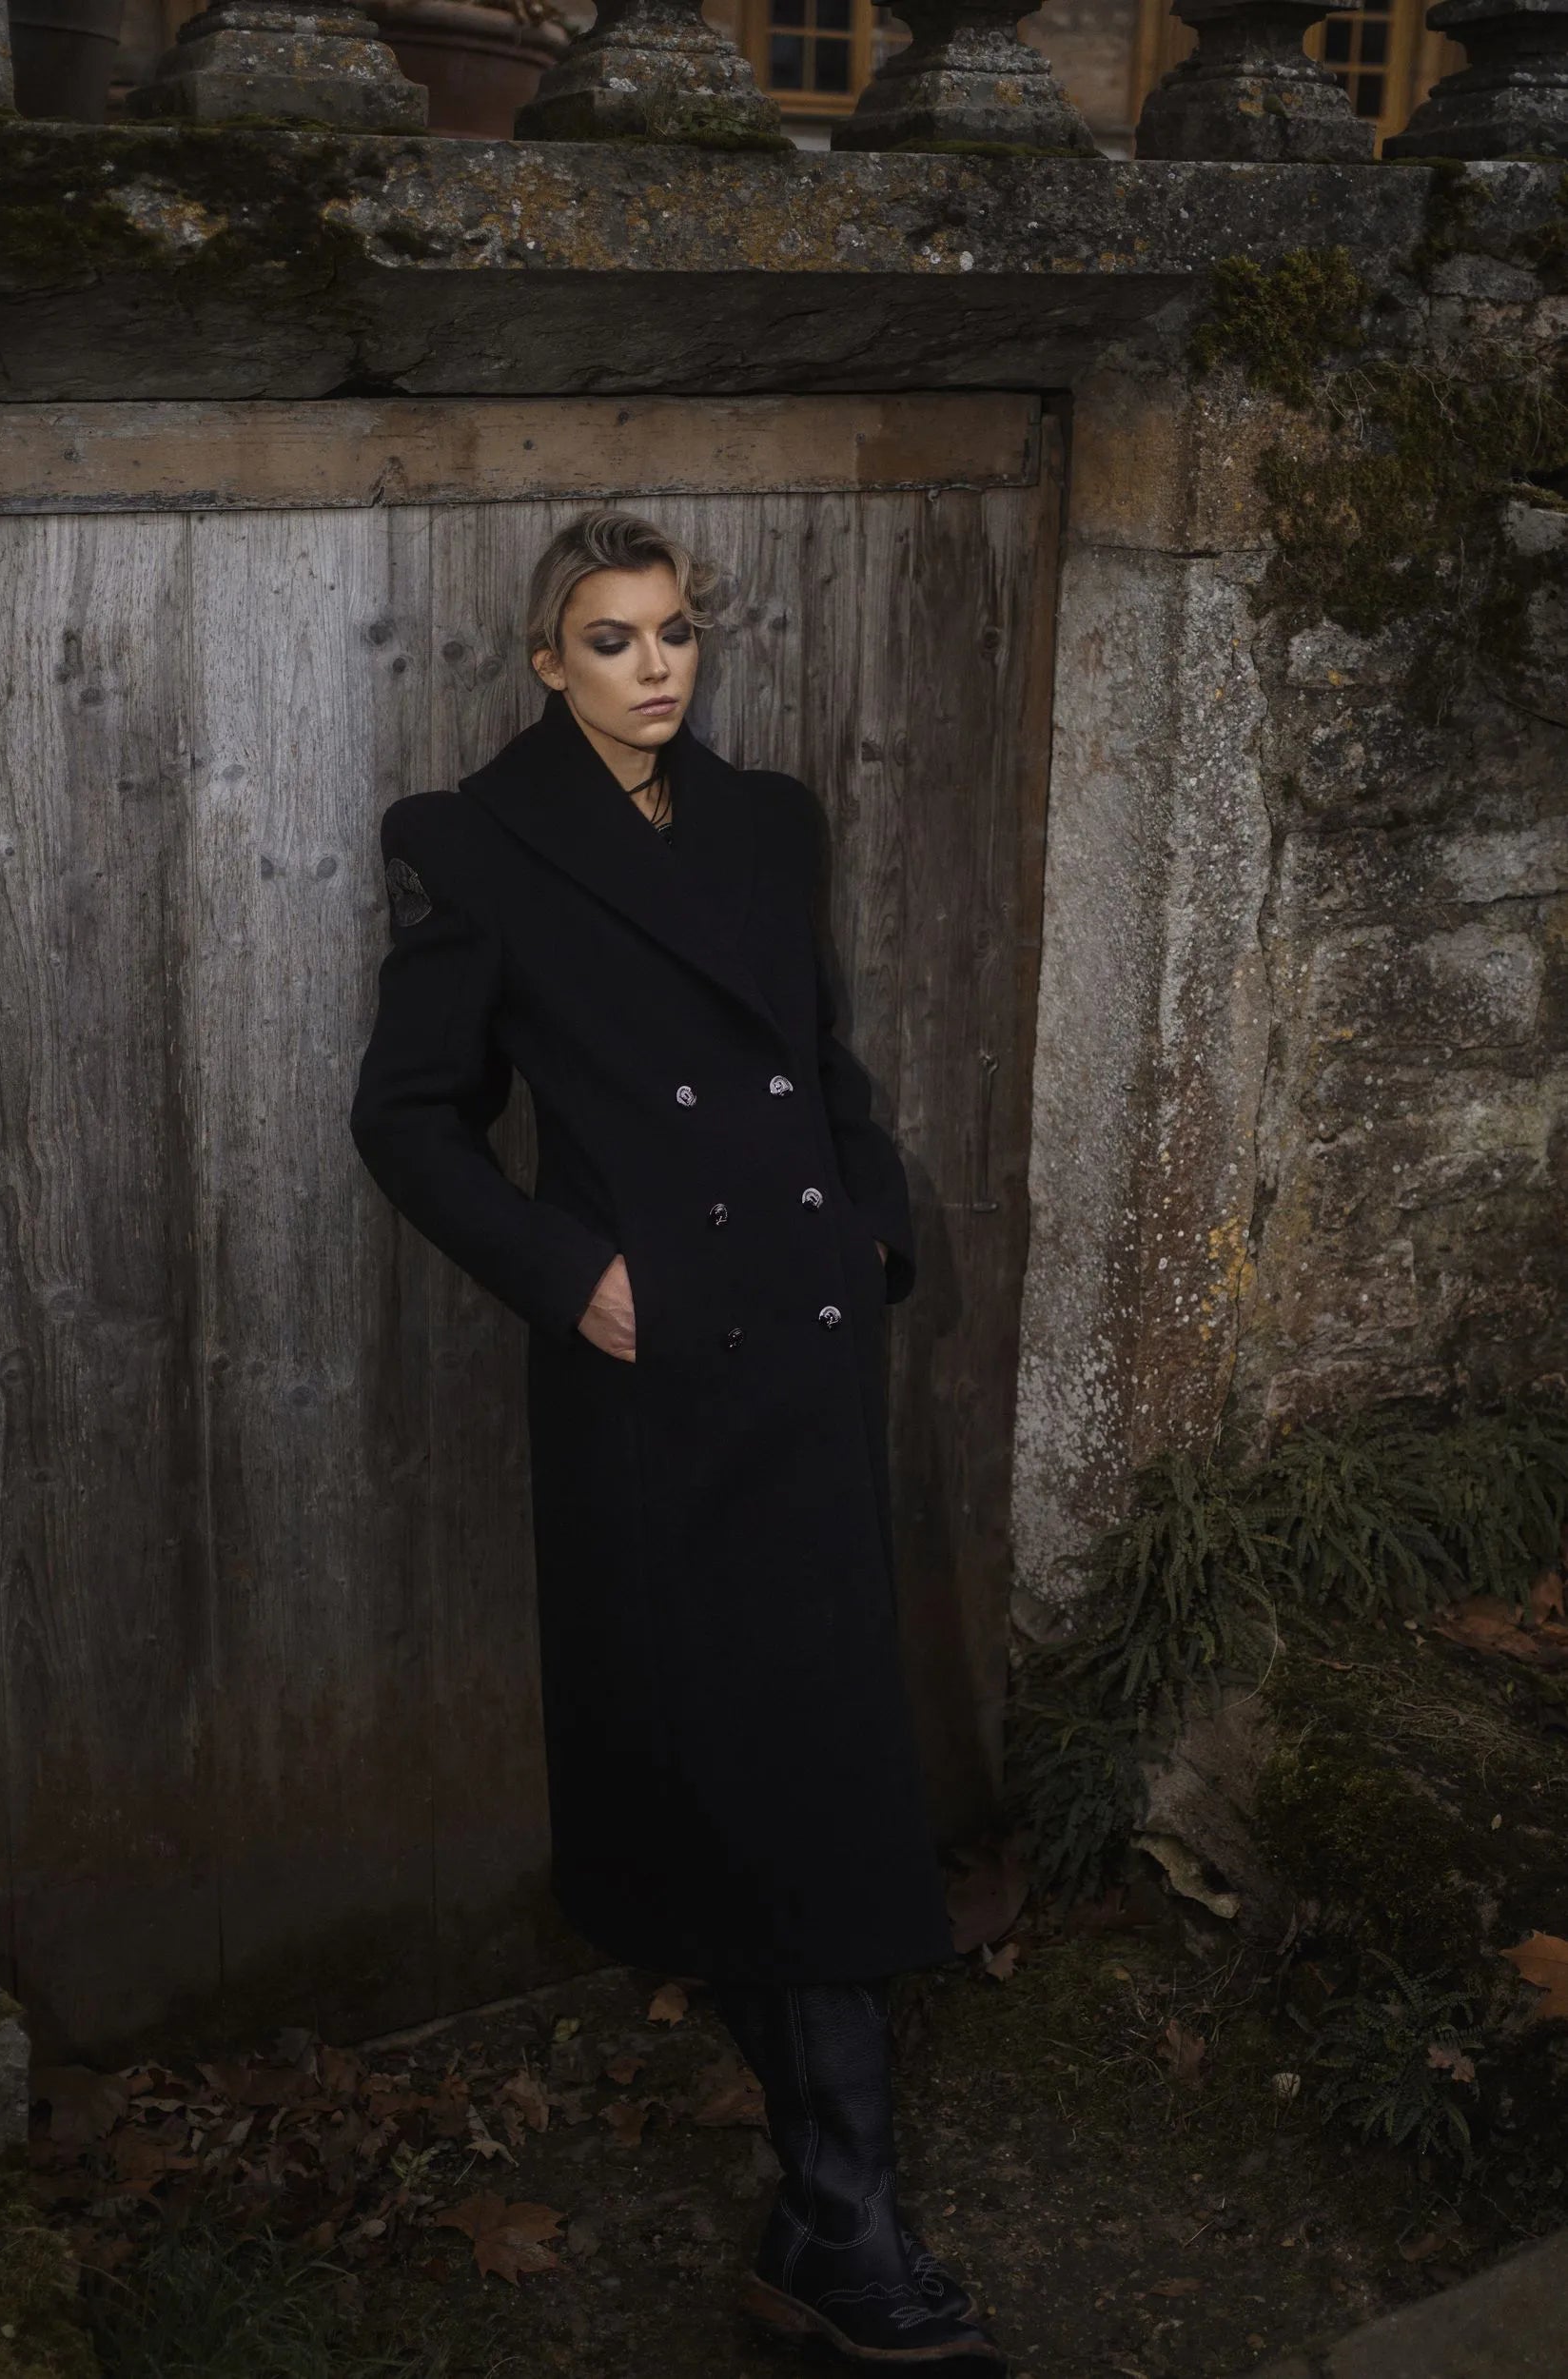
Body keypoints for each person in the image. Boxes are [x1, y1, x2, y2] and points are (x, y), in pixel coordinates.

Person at [349, 509, 1003, 2368]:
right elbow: (406, 1117)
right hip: (658, 1376)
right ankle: (845, 2229)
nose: (657, 667)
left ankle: (835, 2215)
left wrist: (871, 1217)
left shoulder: (768, 818)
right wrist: (576, 1277)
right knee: (761, 1779)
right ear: (547, 660)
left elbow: (825, 1055)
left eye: (676, 635)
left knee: (817, 1769)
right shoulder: (472, 843)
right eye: (614, 639)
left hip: (800, 1347)